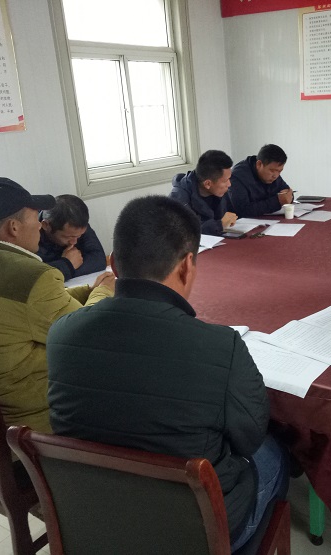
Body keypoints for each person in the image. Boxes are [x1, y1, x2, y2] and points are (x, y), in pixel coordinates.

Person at [46, 195, 288, 550]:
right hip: (194, 531)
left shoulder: (61, 333)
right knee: (275, 453)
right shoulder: (221, 346)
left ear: (113, 263)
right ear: (188, 265)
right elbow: (249, 439)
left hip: (94, 514)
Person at [0, 177, 115, 433]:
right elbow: (88, 335)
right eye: (34, 216)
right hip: (24, 428)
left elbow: (33, 307)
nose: (40, 224)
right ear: (14, 227)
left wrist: (88, 291)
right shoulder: (32, 276)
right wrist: (104, 291)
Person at [38, 194, 107, 281]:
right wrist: (67, 265)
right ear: (46, 225)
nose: (74, 242)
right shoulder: (29, 232)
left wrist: (65, 271)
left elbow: (98, 260)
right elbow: (35, 276)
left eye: (79, 236)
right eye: (68, 237)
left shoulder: (77, 225)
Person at [170, 150, 237, 236]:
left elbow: (232, 212)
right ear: (208, 184)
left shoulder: (218, 190)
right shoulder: (179, 197)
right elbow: (184, 231)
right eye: (225, 181)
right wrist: (220, 225)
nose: (229, 184)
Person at [230, 144, 294, 217]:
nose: (275, 176)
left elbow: (286, 192)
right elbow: (242, 211)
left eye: (279, 171)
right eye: (272, 170)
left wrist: (288, 196)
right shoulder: (238, 177)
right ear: (259, 164)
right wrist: (277, 201)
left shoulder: (273, 173)